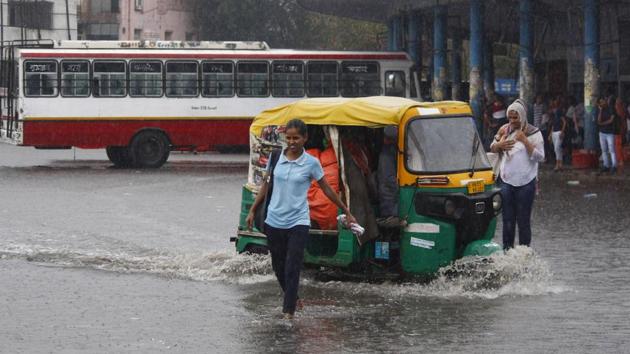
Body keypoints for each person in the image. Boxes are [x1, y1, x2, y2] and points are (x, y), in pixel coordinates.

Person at [246, 119, 356, 319]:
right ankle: (294, 298)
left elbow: (326, 188)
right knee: (278, 266)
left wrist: (346, 210)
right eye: (288, 138)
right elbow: (266, 185)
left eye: (296, 137)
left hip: (298, 221)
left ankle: (288, 312)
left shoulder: (311, 163)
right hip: (274, 220)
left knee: (292, 266)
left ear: (304, 138)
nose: (292, 141)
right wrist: (253, 210)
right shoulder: (276, 156)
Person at [490, 99, 545, 250]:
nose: (512, 121)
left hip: (526, 183)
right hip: (507, 182)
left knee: (523, 220)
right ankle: (507, 251)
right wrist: (499, 145)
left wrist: (525, 141)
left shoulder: (534, 133)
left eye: (516, 117)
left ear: (522, 116)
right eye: (510, 117)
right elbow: (492, 147)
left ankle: (523, 253)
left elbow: (540, 157)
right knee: (507, 220)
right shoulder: (504, 130)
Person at [597, 96, 617, 174]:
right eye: (601, 102)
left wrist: (602, 123)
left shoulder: (611, 108)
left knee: (611, 150)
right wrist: (600, 111)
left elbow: (611, 120)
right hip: (602, 132)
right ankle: (606, 165)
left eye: (603, 101)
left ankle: (614, 165)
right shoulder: (601, 110)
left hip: (609, 133)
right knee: (604, 150)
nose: (602, 103)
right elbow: (598, 121)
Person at [548, 97, 567, 171]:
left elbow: (564, 122)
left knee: (557, 148)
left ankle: (557, 164)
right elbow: (552, 125)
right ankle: (560, 164)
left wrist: (562, 131)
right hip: (554, 132)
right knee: (557, 149)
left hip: (559, 131)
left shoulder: (559, 111)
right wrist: (550, 134)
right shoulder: (553, 114)